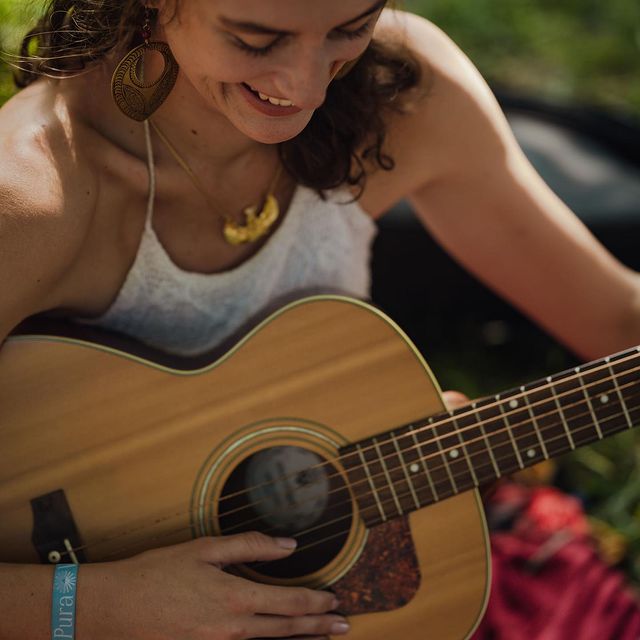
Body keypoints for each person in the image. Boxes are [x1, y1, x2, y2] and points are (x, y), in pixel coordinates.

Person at [1, 0, 639, 637]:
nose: (304, 87)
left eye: (347, 30)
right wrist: (98, 606)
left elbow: (617, 322)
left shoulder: (402, 93)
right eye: (256, 39)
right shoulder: (30, 200)